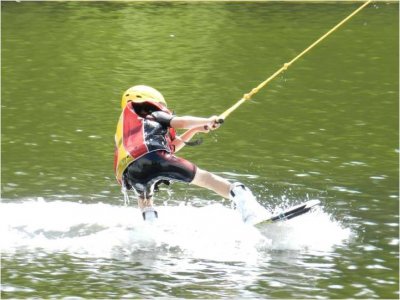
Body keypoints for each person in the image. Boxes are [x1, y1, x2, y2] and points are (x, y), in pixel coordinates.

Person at [114, 85, 267, 224]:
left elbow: (172, 147)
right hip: (155, 157)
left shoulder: (129, 127)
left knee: (145, 199)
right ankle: (249, 211)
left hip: (132, 172)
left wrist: (195, 129)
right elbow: (180, 122)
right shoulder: (147, 109)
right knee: (206, 179)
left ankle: (150, 230)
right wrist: (207, 120)